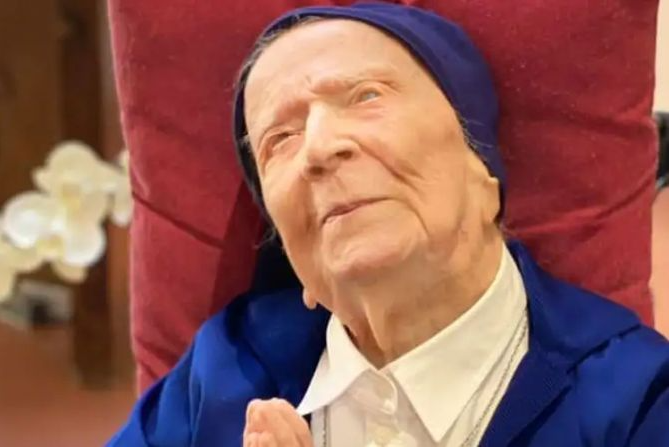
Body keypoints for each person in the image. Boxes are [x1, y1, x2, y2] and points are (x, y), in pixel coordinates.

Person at [109, 4, 669, 446]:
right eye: (280, 139)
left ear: (484, 174)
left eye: (367, 96)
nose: (319, 149)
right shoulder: (221, 370)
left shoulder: (637, 397)